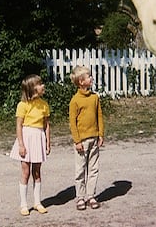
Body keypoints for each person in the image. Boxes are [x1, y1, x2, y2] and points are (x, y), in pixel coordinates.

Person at [9, 74, 51, 216]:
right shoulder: (23, 105)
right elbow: (19, 126)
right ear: (32, 89)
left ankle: (37, 202)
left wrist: (47, 142)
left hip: (38, 138)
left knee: (37, 172)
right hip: (27, 138)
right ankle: (23, 204)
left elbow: (46, 125)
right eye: (40, 84)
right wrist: (21, 144)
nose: (43, 86)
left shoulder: (44, 104)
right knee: (26, 172)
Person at [69, 65, 104, 211]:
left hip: (94, 138)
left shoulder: (95, 97)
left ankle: (91, 195)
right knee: (80, 169)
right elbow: (72, 122)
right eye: (89, 76)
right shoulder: (75, 101)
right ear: (81, 82)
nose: (91, 78)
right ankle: (80, 197)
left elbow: (99, 116)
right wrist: (77, 141)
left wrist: (100, 134)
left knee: (93, 168)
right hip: (81, 141)